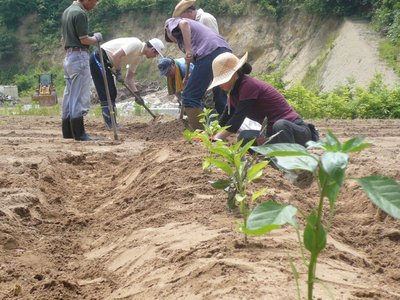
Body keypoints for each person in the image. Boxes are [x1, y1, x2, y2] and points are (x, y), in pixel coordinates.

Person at [208, 52, 316, 146]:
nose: (220, 85)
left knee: (280, 125)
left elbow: (237, 119)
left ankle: (288, 158)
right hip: (272, 133)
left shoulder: (248, 86)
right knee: (245, 138)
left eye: (222, 80)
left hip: (295, 131)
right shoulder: (233, 94)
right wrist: (210, 133)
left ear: (234, 75)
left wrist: (217, 137)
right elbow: (226, 118)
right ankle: (273, 152)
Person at [165, 18, 231, 130]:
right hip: (224, 50)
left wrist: (188, 49)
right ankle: (226, 129)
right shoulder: (195, 33)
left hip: (209, 53)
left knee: (189, 96)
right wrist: (188, 77)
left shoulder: (172, 23)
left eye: (171, 39)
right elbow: (199, 64)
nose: (174, 41)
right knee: (219, 93)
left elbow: (184, 23)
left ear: (167, 30)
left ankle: (199, 133)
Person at [89, 38, 165, 130]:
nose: (155, 56)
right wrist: (118, 72)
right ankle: (110, 124)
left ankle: (112, 123)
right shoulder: (136, 44)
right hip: (98, 57)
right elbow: (116, 55)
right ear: (152, 49)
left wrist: (137, 95)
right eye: (156, 54)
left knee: (112, 92)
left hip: (107, 63)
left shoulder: (137, 58)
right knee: (107, 92)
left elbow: (129, 78)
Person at [61, 0, 102, 141]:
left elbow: (63, 40)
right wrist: (96, 38)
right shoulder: (80, 13)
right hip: (78, 56)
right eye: (95, 2)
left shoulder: (67, 12)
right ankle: (79, 133)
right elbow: (84, 39)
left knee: (69, 94)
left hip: (68, 56)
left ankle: (67, 131)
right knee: (78, 95)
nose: (95, 5)